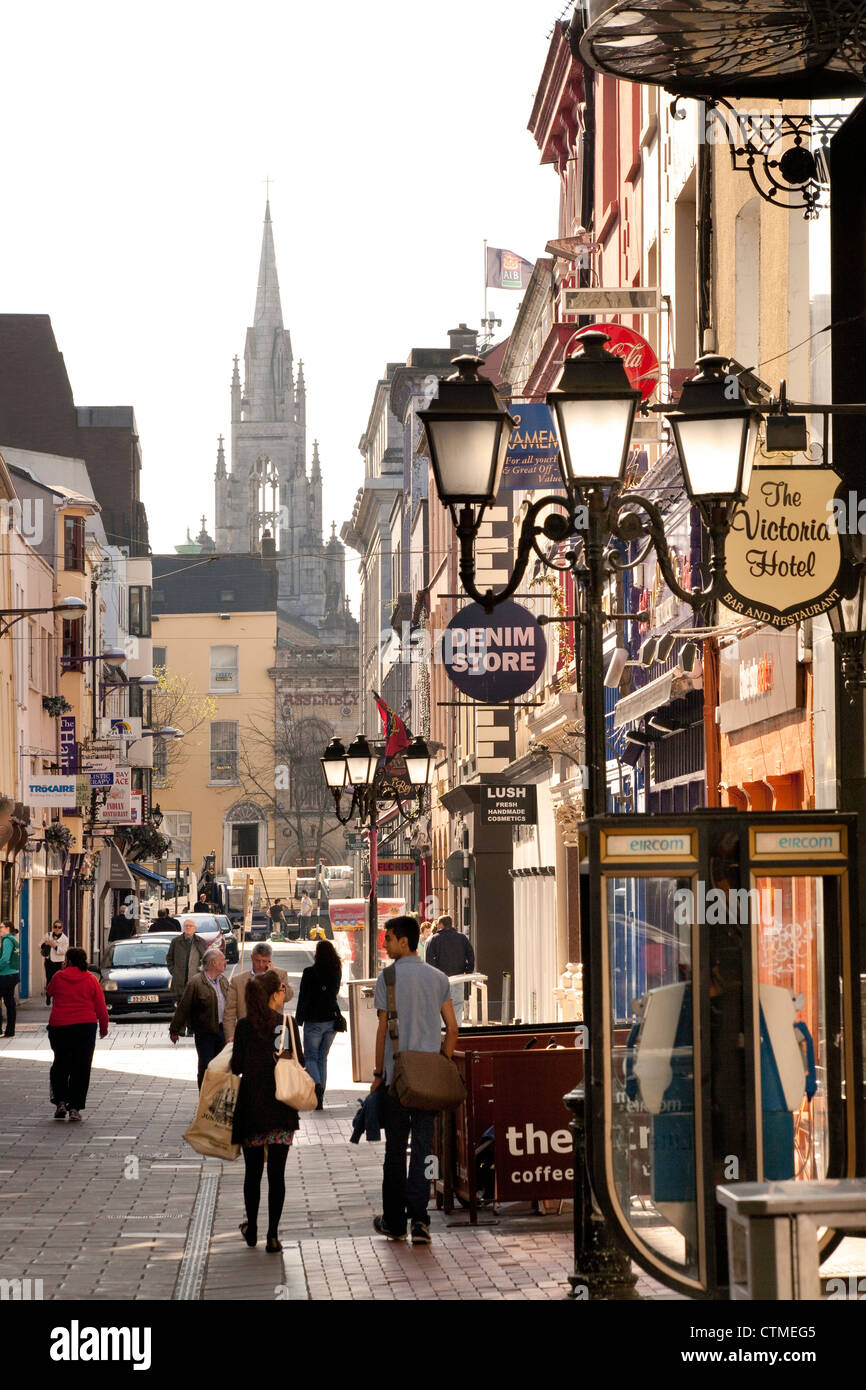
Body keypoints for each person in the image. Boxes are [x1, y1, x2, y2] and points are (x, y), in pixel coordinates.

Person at [371, 915, 458, 1245]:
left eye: (389, 938)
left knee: (395, 1151)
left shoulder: (388, 978)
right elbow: (452, 1028)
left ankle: (394, 1221)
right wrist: (443, 1061)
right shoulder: (438, 979)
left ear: (404, 941)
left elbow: (381, 1030)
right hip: (429, 1079)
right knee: (423, 1148)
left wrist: (378, 1074)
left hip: (397, 1078)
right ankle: (420, 1221)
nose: (386, 943)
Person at [231, 970, 300, 1253]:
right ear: (275, 993)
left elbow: (237, 1066)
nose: (285, 991)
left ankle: (252, 1230)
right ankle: (273, 1235)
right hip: (281, 1107)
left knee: (252, 1172)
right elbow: (300, 1060)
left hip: (252, 1108)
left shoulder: (245, 1026)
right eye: (282, 988)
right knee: (277, 1174)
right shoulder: (285, 1024)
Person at [46, 946, 109, 1119]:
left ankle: (59, 1102)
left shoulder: (59, 977)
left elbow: (49, 991)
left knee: (60, 1063)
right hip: (85, 1027)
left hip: (60, 1026)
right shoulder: (91, 979)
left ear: (68, 960)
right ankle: (74, 1107)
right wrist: (104, 1027)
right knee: (81, 1066)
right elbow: (100, 1006)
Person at [169, 947, 228, 1088]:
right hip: (205, 1032)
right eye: (222, 960)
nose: (225, 962)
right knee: (206, 1066)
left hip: (223, 1031)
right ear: (213, 963)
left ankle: (217, 1096)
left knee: (222, 1067)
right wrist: (175, 1030)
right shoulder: (196, 982)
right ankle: (204, 1096)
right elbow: (184, 1007)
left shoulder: (223, 981)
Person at [296, 939, 343, 1109]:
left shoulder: (309, 972)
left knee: (311, 1057)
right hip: (331, 1020)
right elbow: (334, 993)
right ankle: (321, 1093)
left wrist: (298, 1018)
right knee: (323, 1057)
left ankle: (316, 1085)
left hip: (313, 1020)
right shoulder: (336, 971)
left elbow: (303, 996)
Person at [223, 942, 292, 1042]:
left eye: (264, 961)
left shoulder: (280, 975)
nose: (260, 965)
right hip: (247, 1034)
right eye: (257, 960)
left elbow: (287, 997)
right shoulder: (237, 981)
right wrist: (230, 1036)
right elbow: (229, 1012)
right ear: (251, 958)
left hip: (273, 1032)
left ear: (270, 961)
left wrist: (273, 975)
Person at [425, 914, 475, 1022]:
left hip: (440, 980)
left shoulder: (433, 940)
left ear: (441, 925)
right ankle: (457, 1030)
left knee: (441, 1005)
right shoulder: (462, 938)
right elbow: (470, 954)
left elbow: (428, 960)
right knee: (457, 1004)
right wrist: (468, 970)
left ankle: (444, 1031)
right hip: (458, 977)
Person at [166, 918, 207, 998]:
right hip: (180, 981)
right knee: (181, 1006)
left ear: (195, 928)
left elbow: (206, 959)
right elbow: (169, 958)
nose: (188, 928)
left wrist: (202, 973)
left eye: (190, 926)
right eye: (186, 926)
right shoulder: (176, 941)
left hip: (196, 980)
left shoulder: (201, 942)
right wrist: (174, 972)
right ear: (183, 928)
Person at [0, 922, 21, 1037]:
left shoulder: (7, 940)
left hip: (5, 975)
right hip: (13, 974)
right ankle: (10, 1030)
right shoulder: (14, 939)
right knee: (10, 1003)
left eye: (1, 927)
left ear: (8, 928)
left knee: (9, 1002)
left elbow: (5, 958)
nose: (0, 929)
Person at [42, 920, 69, 998]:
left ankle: (57, 997)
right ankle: (48, 995)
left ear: (62, 928)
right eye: (55, 927)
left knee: (58, 980)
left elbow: (64, 951)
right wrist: (45, 944)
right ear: (53, 927)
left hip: (59, 962)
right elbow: (40, 945)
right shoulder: (48, 935)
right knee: (49, 979)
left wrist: (54, 946)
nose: (57, 929)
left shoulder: (65, 939)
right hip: (49, 961)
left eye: (59, 927)